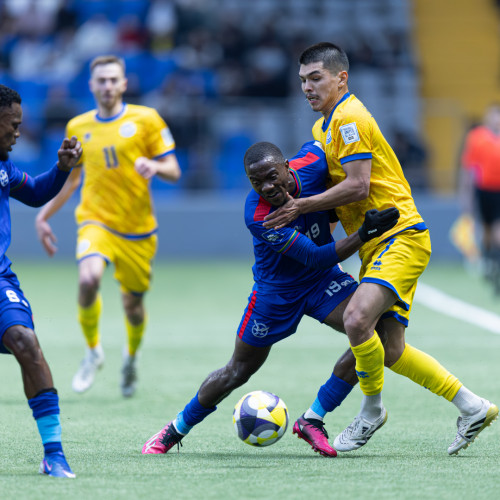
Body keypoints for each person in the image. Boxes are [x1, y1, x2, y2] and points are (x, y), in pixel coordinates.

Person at [263, 42, 498, 454]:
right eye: (302, 80)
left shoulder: (349, 119)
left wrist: (300, 206)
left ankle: (371, 411)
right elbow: (338, 197)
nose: (307, 87)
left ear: (341, 78)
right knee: (390, 349)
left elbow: (358, 185)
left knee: (356, 318)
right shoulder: (323, 128)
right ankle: (472, 406)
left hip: (400, 235)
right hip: (376, 244)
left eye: (316, 78)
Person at [141, 140, 400, 457]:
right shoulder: (258, 213)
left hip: (322, 281)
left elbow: (328, 145)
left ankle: (313, 419)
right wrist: (363, 233)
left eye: (271, 176)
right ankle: (173, 431)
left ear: (287, 166)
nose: (266, 187)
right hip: (277, 293)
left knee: (375, 335)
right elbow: (315, 257)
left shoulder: (313, 161)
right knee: (238, 370)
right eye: (256, 182)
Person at [35, 55, 181, 397]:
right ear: (91, 85)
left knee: (133, 306)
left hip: (138, 229)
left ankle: (131, 357)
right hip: (95, 221)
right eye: (101, 80)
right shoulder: (78, 126)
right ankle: (93, 352)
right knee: (88, 280)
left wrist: (155, 167)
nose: (107, 86)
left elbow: (174, 170)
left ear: (124, 83)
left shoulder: (147, 119)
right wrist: (43, 215)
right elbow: (72, 181)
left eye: (113, 79)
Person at [0, 84, 82, 477]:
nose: (19, 132)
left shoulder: (3, 167)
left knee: (26, 342)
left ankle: (54, 453)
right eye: (12, 124)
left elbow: (34, 193)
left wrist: (62, 168)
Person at [460, 104, 500, 292]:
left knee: (497, 229)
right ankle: (490, 262)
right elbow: (469, 168)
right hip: (483, 191)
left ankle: (495, 265)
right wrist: (466, 195)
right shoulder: (477, 137)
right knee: (486, 231)